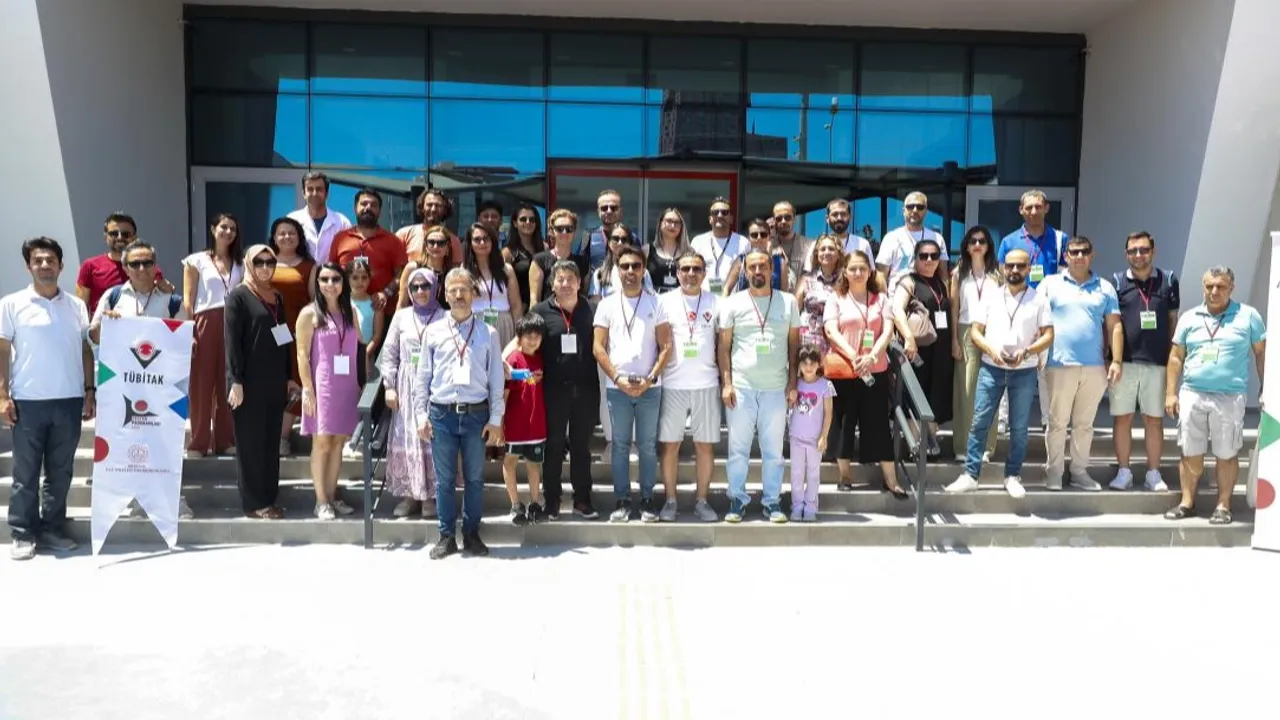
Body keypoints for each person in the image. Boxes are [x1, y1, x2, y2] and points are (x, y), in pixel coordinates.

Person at [1, 237, 95, 560]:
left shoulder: (76, 306)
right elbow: (2, 352)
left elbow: (85, 349)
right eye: (38, 261)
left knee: (60, 472)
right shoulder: (11, 304)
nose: (44, 265)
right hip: (28, 402)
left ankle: (52, 529)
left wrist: (89, 391)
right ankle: (22, 533)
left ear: (61, 265)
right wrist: (2, 396)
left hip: (69, 400)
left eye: (50, 260)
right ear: (28, 266)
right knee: (25, 474)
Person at [88, 239, 193, 520]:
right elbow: (93, 336)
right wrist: (106, 323)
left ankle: (173, 499)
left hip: (162, 387)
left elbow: (186, 341)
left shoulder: (171, 301)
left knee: (166, 443)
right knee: (130, 445)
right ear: (125, 267)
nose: (142, 268)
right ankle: (138, 499)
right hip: (124, 386)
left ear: (155, 265)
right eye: (135, 263)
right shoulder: (112, 297)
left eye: (147, 262)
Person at [945, 249, 1053, 499]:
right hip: (991, 368)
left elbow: (1048, 334)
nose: (1015, 270)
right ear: (1004, 268)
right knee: (980, 422)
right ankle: (971, 475)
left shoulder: (1039, 299)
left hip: (1023, 371)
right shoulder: (991, 297)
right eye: (1010, 265)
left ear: (1029, 269)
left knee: (1019, 427)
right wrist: (991, 350)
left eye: (1021, 266)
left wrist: (1027, 351)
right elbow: (975, 331)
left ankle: (1012, 475)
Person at [415, 268, 506, 560]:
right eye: (453, 290)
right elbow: (422, 376)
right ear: (445, 294)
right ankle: (446, 536)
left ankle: (471, 533)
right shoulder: (433, 331)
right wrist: (420, 415)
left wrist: (496, 419)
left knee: (475, 478)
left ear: (473, 293)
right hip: (441, 415)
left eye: (464, 290)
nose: (458, 295)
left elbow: (496, 379)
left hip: (476, 415)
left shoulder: (488, 333)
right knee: (444, 480)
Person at [1164, 266, 1265, 525]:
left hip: (1229, 396)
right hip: (1192, 393)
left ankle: (1223, 505)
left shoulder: (1248, 316)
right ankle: (1187, 502)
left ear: (1232, 288)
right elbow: (1176, 357)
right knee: (1189, 450)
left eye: (1221, 286)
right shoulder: (1189, 317)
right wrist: (1170, 393)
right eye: (1209, 286)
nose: (1214, 291)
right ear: (1203, 287)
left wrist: (1267, 386)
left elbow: (1261, 353)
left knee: (1227, 452)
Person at [718, 249, 801, 523]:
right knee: (738, 449)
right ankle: (736, 500)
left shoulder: (788, 302)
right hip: (741, 387)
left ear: (771, 269)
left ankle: (771, 501)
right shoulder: (733, 303)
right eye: (752, 267)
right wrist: (727, 384)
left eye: (763, 266)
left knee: (773, 451)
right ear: (745, 271)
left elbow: (794, 345)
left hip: (776, 388)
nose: (757, 272)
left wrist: (793, 383)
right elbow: (724, 347)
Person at [593, 244, 671, 522]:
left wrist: (651, 378)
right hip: (618, 388)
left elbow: (666, 346)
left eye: (636, 266)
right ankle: (622, 500)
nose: (630, 271)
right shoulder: (606, 305)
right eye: (624, 266)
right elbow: (598, 347)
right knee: (620, 445)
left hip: (651, 388)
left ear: (643, 269)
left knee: (648, 446)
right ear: (617, 270)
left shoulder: (656, 303)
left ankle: (647, 499)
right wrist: (617, 378)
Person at [1037, 235, 1122, 491]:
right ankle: (1054, 472)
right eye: (1073, 252)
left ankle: (1079, 472)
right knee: (1057, 423)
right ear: (1066, 256)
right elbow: (1037, 319)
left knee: (1084, 425)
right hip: (1059, 363)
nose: (1079, 256)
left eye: (1084, 251)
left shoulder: (1105, 287)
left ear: (1092, 255)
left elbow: (1115, 326)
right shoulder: (1050, 284)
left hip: (1094, 366)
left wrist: (1116, 360)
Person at [822, 250, 904, 497]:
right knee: (844, 423)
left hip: (874, 371)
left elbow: (887, 331)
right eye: (853, 268)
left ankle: (891, 479)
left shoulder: (881, 299)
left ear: (870, 272)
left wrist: (871, 356)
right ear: (845, 272)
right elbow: (831, 331)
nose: (858, 273)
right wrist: (854, 356)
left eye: (862, 268)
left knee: (878, 424)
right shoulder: (836, 298)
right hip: (845, 371)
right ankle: (845, 475)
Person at [224, 244, 295, 519]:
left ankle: (269, 498)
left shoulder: (276, 296)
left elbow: (284, 338)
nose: (265, 267)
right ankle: (254, 503)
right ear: (249, 264)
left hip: (274, 382)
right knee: (251, 444)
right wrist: (235, 380)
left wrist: (289, 377)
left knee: (269, 443)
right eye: (259, 262)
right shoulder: (238, 297)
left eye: (270, 262)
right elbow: (232, 343)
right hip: (247, 383)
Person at [526, 259, 598, 520]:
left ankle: (582, 499)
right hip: (553, 390)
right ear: (552, 284)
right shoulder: (540, 312)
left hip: (586, 389)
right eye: (560, 279)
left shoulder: (592, 310)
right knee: (554, 446)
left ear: (579, 283)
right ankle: (552, 500)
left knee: (581, 446)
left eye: (571, 279)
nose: (566, 284)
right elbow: (526, 342)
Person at [1108, 231, 1179, 492]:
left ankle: (1153, 474)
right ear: (1126, 254)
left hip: (1157, 363)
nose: (1139, 255)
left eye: (1144, 250)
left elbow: (1172, 321)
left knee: (1154, 419)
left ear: (1153, 251)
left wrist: (1171, 358)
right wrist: (1112, 359)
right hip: (1125, 362)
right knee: (1122, 418)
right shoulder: (1116, 281)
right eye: (1133, 251)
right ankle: (1123, 472)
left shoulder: (1168, 280)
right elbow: (1111, 324)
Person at [656, 251, 721, 522]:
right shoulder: (663, 301)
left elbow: (723, 345)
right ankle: (670, 501)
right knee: (670, 445)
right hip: (673, 384)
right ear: (677, 272)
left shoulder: (717, 302)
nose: (690, 274)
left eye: (696, 269)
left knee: (704, 446)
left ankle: (702, 501)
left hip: (707, 383)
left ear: (704, 274)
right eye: (685, 269)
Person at [296, 262, 363, 521]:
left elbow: (357, 347)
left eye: (335, 279)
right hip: (322, 385)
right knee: (322, 441)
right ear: (317, 283)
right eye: (324, 279)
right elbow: (302, 354)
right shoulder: (309, 313)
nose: (330, 284)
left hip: (346, 385)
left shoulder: (350, 311)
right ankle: (321, 501)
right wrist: (307, 388)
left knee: (338, 442)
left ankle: (332, 497)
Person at [378, 267, 441, 519]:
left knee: (431, 437)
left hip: (435, 386)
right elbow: (389, 352)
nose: (420, 291)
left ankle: (430, 497)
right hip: (406, 385)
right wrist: (389, 386)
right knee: (407, 439)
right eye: (415, 287)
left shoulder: (444, 316)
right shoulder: (401, 317)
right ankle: (409, 496)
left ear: (434, 288)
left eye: (425, 286)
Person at [183, 213, 242, 459]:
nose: (228, 232)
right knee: (201, 383)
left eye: (233, 228)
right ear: (213, 229)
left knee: (227, 381)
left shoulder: (240, 262)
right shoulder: (196, 260)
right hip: (205, 320)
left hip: (233, 321)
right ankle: (198, 443)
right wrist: (189, 330)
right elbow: (188, 299)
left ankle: (224, 440)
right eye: (223, 227)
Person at [892, 238, 953, 457]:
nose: (929, 260)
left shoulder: (942, 283)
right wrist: (908, 338)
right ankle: (916, 445)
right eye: (923, 255)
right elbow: (897, 310)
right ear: (915, 258)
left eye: (934, 256)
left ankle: (930, 442)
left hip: (941, 349)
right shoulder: (908, 281)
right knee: (916, 394)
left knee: (936, 393)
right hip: (918, 349)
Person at [268, 216, 316, 457]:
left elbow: (314, 300)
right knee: (270, 381)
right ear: (274, 238)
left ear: (299, 238)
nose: (287, 237)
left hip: (296, 333)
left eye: (292, 233)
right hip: (266, 331)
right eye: (282, 233)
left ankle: (283, 437)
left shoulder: (309, 266)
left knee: (295, 382)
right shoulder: (265, 262)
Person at [950, 226, 999, 460]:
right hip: (966, 330)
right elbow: (954, 308)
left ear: (988, 245)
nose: (977, 245)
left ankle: (987, 447)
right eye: (973, 241)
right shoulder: (958, 273)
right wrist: (954, 340)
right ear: (967, 246)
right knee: (966, 390)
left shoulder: (998, 274)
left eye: (982, 241)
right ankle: (963, 446)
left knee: (991, 389)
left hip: (993, 331)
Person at [329, 188, 408, 320]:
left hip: (382, 312)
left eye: (373, 205)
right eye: (364, 204)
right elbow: (332, 272)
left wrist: (386, 293)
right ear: (355, 208)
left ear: (379, 211)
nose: (368, 208)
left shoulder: (393, 241)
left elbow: (401, 274)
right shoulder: (340, 239)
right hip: (346, 311)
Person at [502, 313, 548, 524]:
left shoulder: (542, 358)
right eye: (528, 336)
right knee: (510, 461)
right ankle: (515, 504)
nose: (533, 340)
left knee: (534, 464)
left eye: (537, 336)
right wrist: (500, 422)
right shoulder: (512, 360)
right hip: (515, 425)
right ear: (519, 337)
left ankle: (535, 503)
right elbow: (505, 394)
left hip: (536, 424)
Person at [76, 212, 171, 314]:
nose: (120, 237)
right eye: (114, 233)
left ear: (135, 237)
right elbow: (80, 309)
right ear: (105, 237)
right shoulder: (90, 266)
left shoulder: (148, 269)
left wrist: (169, 291)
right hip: (104, 322)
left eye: (126, 234)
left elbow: (162, 300)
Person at [789, 345, 834, 522]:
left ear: (818, 364)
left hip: (815, 438)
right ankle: (797, 505)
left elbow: (828, 413)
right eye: (805, 363)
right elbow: (788, 404)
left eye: (812, 363)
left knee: (813, 474)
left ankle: (810, 506)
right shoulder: (795, 384)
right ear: (799, 365)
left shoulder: (825, 385)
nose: (808, 367)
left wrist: (824, 436)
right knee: (797, 473)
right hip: (796, 436)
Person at [464, 222, 523, 349]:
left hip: (503, 324)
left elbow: (516, 305)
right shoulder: (464, 271)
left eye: (486, 238)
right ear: (470, 243)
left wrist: (519, 334)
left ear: (492, 241)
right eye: (477, 239)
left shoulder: (506, 269)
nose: (482, 243)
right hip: (475, 325)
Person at [876, 191, 949, 292]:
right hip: (896, 297)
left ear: (926, 211)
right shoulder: (891, 238)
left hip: (929, 298)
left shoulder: (937, 238)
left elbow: (943, 275)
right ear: (903, 210)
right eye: (910, 207)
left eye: (920, 207)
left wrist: (946, 299)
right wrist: (883, 300)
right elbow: (881, 276)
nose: (915, 210)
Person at [287, 171, 351, 263]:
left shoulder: (342, 222)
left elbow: (347, 255)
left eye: (319, 189)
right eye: (310, 189)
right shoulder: (292, 220)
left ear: (327, 194)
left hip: (331, 272)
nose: (314, 193)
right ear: (303, 193)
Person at [690, 197, 749, 295]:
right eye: (715, 212)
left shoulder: (743, 242)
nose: (720, 215)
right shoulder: (698, 241)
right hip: (702, 298)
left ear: (731, 219)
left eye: (724, 212)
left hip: (733, 298)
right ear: (710, 219)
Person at [530, 209, 589, 306]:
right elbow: (534, 300)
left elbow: (585, 296)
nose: (564, 232)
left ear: (574, 231)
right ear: (551, 231)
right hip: (548, 314)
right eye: (559, 229)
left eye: (569, 228)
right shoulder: (539, 261)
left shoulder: (583, 262)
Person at [398, 188, 463, 266]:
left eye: (438, 205)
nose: (433, 209)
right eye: (429, 205)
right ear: (422, 207)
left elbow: (455, 271)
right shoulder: (404, 234)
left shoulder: (453, 241)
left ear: (445, 209)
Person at [724, 218, 788, 295]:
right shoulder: (741, 260)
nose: (759, 238)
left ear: (769, 237)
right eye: (754, 235)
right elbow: (727, 288)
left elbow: (785, 293)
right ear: (748, 238)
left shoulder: (780, 262)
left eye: (763, 235)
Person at [396, 224, 453, 310]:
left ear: (447, 247)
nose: (435, 246)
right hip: (415, 318)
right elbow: (402, 303)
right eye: (431, 242)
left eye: (441, 243)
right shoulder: (413, 268)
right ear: (425, 246)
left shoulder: (451, 274)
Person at [501, 202, 545, 309]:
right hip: (520, 308)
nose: (528, 222)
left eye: (532, 220)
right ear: (515, 223)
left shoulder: (545, 248)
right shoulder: (507, 252)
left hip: (543, 306)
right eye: (523, 219)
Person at [646, 208, 690, 293]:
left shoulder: (688, 252)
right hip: (654, 299)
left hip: (680, 299)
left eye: (677, 222)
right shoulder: (647, 250)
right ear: (660, 224)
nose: (673, 226)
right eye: (669, 221)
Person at [771, 200, 813, 287]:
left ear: (794, 219)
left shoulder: (809, 245)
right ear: (774, 221)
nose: (783, 221)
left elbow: (809, 276)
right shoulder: (769, 246)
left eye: (787, 217)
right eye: (779, 218)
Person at [581, 189, 622, 271]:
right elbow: (581, 268)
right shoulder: (588, 237)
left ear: (620, 211)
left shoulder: (631, 238)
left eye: (613, 208)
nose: (609, 211)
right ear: (598, 211)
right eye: (604, 208)